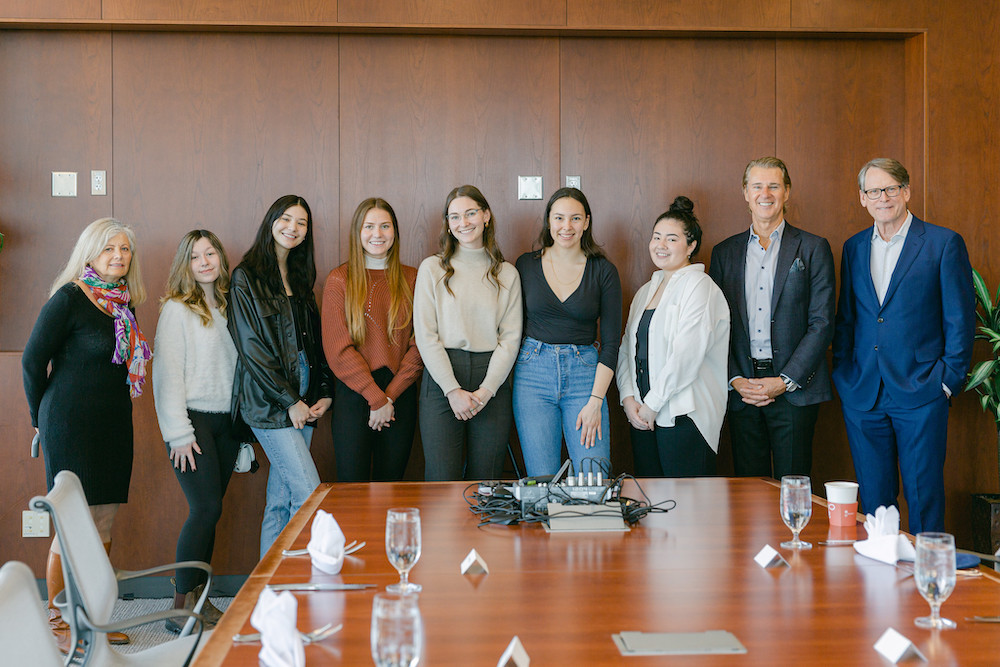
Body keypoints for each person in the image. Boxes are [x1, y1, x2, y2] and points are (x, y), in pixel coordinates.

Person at [22, 217, 151, 652]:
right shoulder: (69, 299)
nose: (119, 255)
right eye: (109, 248)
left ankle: (91, 617)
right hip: (68, 421)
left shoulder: (124, 304)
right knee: (70, 521)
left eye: (125, 249)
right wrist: (39, 418)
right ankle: (58, 619)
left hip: (113, 423)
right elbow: (31, 361)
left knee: (104, 520)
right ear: (90, 253)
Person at [832, 158, 975, 534]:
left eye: (891, 189)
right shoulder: (853, 247)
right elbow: (847, 318)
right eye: (874, 191)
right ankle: (883, 583)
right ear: (863, 198)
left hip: (922, 389)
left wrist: (947, 381)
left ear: (906, 192)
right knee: (876, 502)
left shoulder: (943, 243)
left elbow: (960, 319)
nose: (883, 197)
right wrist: (844, 375)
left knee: (923, 495)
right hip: (864, 393)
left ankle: (929, 585)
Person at [709, 157, 835, 480]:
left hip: (795, 390)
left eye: (774, 186)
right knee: (750, 493)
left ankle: (793, 535)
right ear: (745, 193)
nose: (765, 193)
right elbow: (717, 327)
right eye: (757, 186)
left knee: (792, 487)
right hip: (743, 391)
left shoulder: (813, 248)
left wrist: (784, 381)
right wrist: (735, 379)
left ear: (787, 192)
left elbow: (822, 324)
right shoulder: (724, 253)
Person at [228, 195, 333, 556]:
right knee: (309, 493)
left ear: (307, 233)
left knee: (281, 499)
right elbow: (252, 349)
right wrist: (290, 402)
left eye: (301, 222)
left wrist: (322, 391)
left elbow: (313, 343)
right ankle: (307, 581)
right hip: (270, 404)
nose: (293, 227)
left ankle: (269, 593)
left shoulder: (301, 278)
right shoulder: (246, 277)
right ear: (271, 221)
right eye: (286, 219)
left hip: (303, 399)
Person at [152, 230, 237, 631]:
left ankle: (201, 601)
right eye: (195, 256)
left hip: (227, 424)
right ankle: (179, 605)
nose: (204, 262)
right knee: (205, 509)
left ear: (220, 258)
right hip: (193, 423)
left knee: (213, 514)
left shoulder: (228, 305)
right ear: (184, 265)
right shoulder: (176, 309)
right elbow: (166, 377)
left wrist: (245, 436)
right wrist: (179, 433)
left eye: (210, 253)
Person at [413, 185, 522, 481]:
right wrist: (451, 390)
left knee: (485, 481)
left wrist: (486, 391)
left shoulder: (506, 273)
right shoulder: (432, 269)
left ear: (486, 215)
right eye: (455, 217)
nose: (464, 223)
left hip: (492, 379)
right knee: (441, 479)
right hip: (442, 378)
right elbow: (426, 336)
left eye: (471, 213)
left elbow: (510, 340)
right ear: (447, 224)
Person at [512, 187, 622, 477]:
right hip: (532, 374)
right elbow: (508, 328)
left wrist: (596, 400)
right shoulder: (525, 265)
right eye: (559, 218)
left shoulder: (603, 270)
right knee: (542, 482)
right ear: (549, 221)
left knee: (594, 479)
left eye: (575, 218)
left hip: (585, 377)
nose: (567, 226)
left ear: (586, 222)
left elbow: (611, 344)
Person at [617, 197, 730, 477]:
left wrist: (652, 404)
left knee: (686, 509)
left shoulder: (699, 286)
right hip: (643, 413)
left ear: (691, 246)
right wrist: (629, 398)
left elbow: (686, 357)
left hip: (684, 416)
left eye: (671, 239)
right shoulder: (646, 290)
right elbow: (627, 350)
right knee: (650, 505)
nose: (661, 245)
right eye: (656, 237)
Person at [322, 198, 422, 481]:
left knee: (391, 486)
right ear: (358, 232)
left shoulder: (413, 278)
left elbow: (420, 344)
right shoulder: (339, 279)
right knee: (351, 488)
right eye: (369, 226)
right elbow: (337, 349)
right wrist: (376, 399)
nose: (377, 234)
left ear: (395, 232)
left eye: (384, 226)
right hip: (354, 396)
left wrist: (389, 396)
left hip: (399, 393)